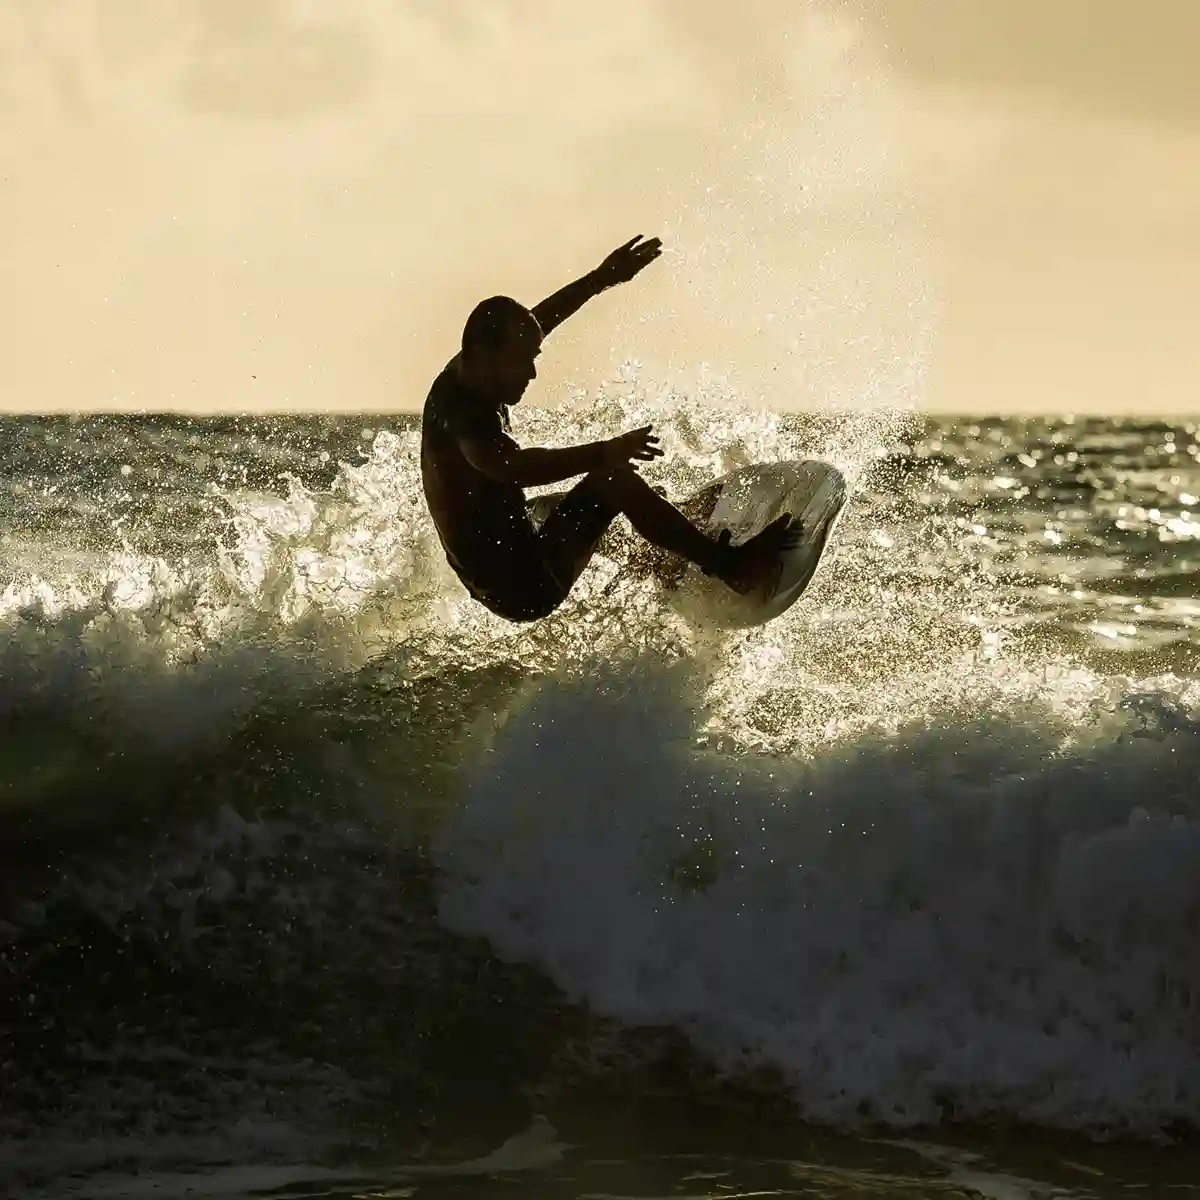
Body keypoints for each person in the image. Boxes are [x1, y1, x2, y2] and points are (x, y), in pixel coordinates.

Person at [420, 234, 799, 623]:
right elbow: (510, 467)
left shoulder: (472, 369)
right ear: (486, 356)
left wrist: (601, 279)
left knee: (545, 508)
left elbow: (539, 321)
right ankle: (731, 566)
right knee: (612, 482)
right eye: (523, 361)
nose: (532, 373)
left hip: (498, 569)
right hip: (523, 586)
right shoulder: (464, 417)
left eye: (532, 357)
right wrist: (603, 452)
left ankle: (659, 555)